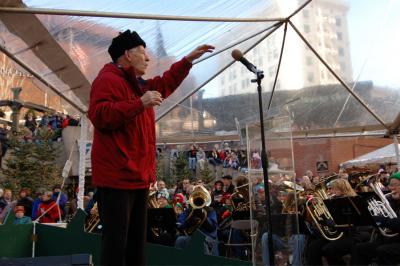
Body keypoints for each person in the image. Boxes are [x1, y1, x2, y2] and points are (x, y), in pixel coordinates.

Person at [88, 29, 214, 266]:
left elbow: (165, 83)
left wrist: (187, 61)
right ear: (127, 54)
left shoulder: (138, 84)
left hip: (138, 179)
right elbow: (99, 115)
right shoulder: (107, 80)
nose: (148, 59)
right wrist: (139, 104)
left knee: (136, 246)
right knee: (116, 247)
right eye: (143, 53)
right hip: (117, 180)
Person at [351, 172, 400, 265]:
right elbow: (380, 223)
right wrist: (372, 217)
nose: (392, 188)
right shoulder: (390, 201)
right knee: (359, 248)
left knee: (383, 250)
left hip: (396, 242)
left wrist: (380, 220)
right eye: (390, 185)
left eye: (395, 185)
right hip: (390, 240)